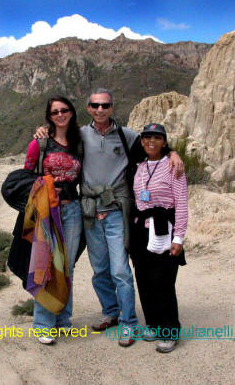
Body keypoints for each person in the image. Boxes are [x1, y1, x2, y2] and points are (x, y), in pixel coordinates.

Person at [36, 88, 184, 347]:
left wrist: (173, 153)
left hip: (116, 210)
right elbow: (56, 140)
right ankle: (111, 311)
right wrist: (42, 130)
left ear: (112, 108)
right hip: (89, 211)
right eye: (95, 105)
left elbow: (153, 146)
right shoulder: (80, 135)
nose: (100, 110)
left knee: (120, 270)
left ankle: (129, 323)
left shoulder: (126, 136)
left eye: (105, 105)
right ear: (89, 108)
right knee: (100, 269)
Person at [23, 96, 83, 345]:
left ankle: (63, 319)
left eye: (64, 110)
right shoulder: (40, 143)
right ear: (49, 116)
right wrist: (45, 186)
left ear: (71, 112)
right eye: (55, 111)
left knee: (67, 266)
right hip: (48, 212)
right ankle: (43, 324)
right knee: (46, 264)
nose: (60, 114)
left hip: (73, 211)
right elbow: (25, 177)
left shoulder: (80, 142)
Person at [130, 123, 188, 353]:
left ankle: (170, 330)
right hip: (140, 230)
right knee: (143, 279)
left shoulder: (173, 167)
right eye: (146, 138)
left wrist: (179, 238)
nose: (150, 142)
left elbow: (181, 203)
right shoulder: (139, 165)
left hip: (164, 228)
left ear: (164, 141)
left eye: (156, 137)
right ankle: (152, 324)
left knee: (163, 281)